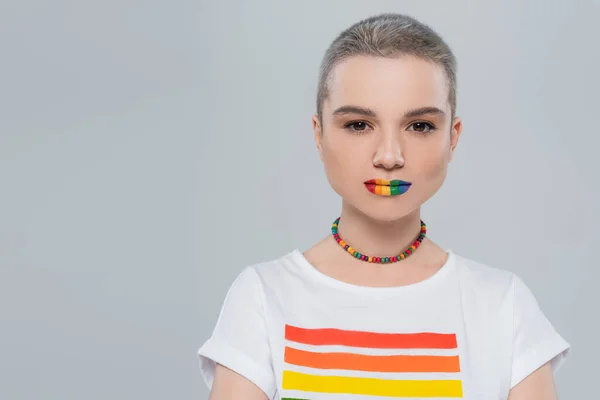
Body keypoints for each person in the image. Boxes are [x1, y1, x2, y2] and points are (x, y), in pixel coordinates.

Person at [197, 13, 570, 400]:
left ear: (452, 138)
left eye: (420, 126)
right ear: (319, 134)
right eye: (359, 124)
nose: (389, 156)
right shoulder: (263, 297)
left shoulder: (503, 307)